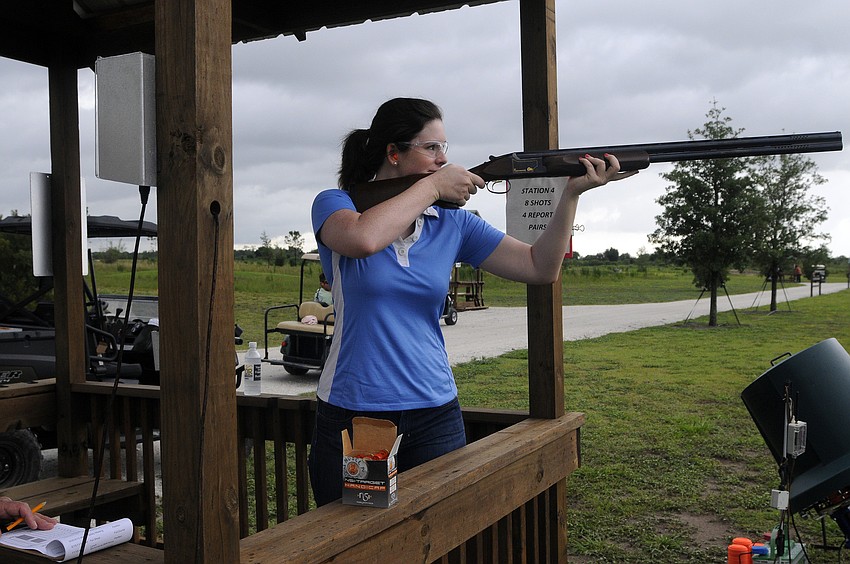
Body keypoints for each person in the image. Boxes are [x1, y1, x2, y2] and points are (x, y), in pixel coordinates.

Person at [308, 97, 636, 506]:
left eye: (444, 147)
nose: (443, 159)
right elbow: (362, 239)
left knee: (443, 534)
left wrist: (571, 195)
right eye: (431, 148)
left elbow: (539, 267)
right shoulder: (337, 205)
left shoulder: (454, 222)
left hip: (435, 412)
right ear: (392, 153)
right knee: (352, 538)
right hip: (355, 412)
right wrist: (432, 187)